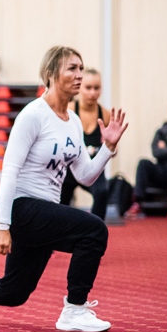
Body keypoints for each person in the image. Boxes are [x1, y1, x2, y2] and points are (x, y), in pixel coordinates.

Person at [0, 46, 128, 331]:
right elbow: (10, 170)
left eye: (81, 68)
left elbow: (86, 176)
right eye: (72, 69)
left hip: (44, 211)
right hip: (23, 208)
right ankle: (75, 310)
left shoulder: (74, 122)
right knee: (94, 230)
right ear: (51, 74)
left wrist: (107, 148)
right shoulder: (33, 115)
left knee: (12, 292)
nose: (79, 75)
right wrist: (2, 225)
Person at [59, 68, 111, 220]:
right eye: (88, 88)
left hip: (92, 168)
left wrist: (109, 145)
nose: (92, 93)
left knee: (102, 191)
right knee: (59, 200)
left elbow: (113, 150)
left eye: (96, 88)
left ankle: (96, 228)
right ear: (80, 88)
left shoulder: (105, 114)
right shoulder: (68, 110)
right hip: (69, 168)